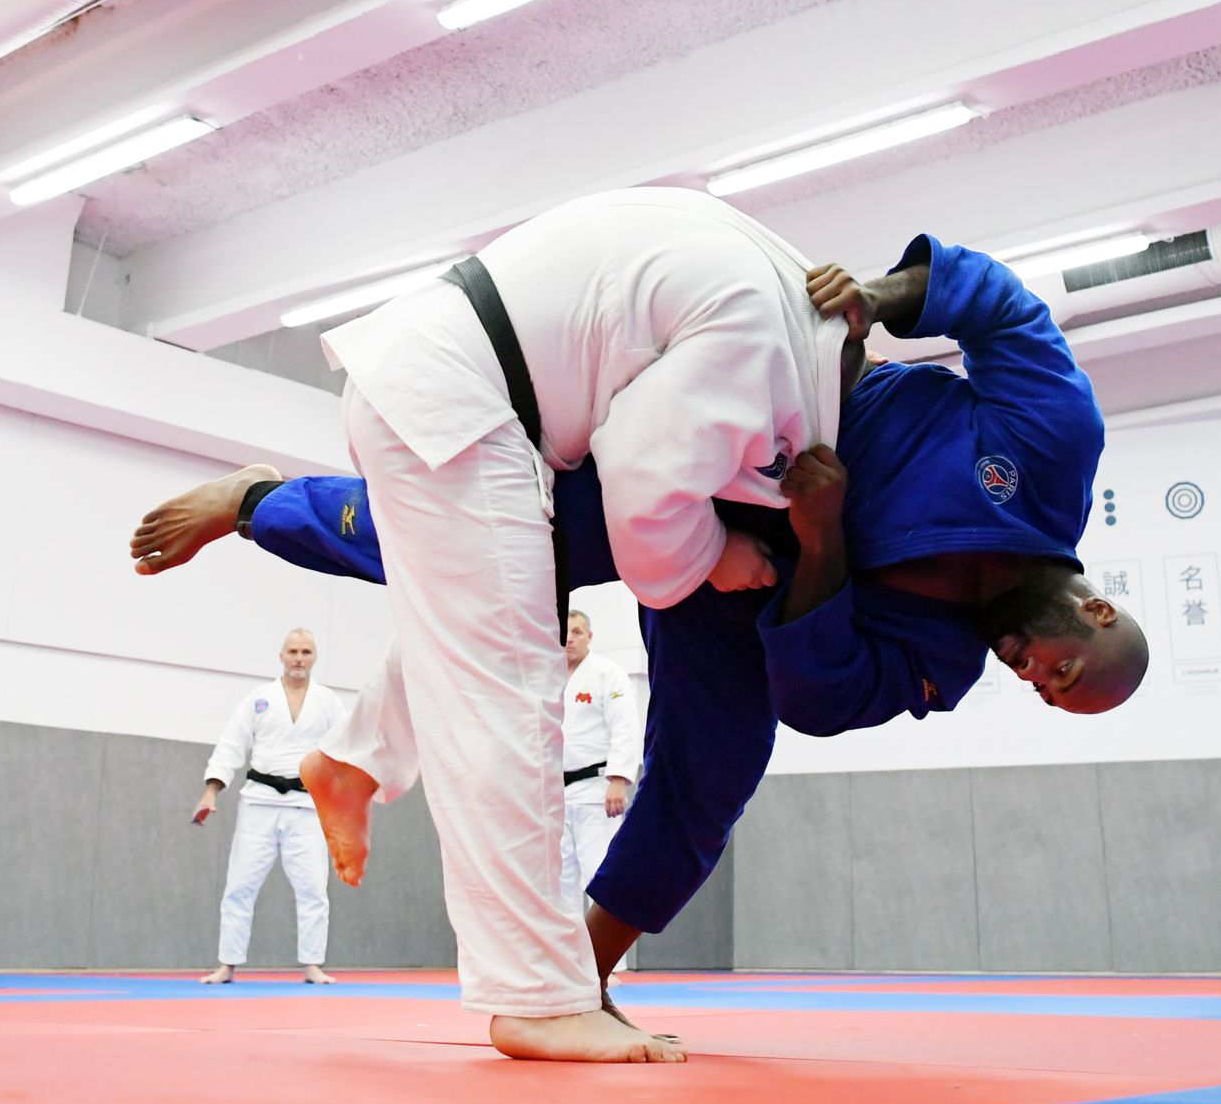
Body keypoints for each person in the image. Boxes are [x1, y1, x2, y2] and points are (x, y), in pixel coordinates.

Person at [133, 235, 1148, 1027]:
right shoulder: (1056, 451)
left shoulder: (947, 657)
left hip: (752, 572)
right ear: (1095, 610)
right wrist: (879, 299)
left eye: (1043, 690)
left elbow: (821, 696)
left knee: (715, 769)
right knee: (485, 547)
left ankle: (580, 975)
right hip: (785, 412)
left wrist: (823, 537)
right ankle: (263, 500)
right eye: (1060, 665)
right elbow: (1009, 315)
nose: (1029, 670)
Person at [192, 628, 345, 986]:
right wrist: (211, 791)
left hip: (307, 805)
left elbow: (344, 749)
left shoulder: (328, 702)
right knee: (240, 885)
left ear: (315, 658)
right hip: (259, 802)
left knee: (312, 888)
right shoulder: (259, 698)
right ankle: (227, 965)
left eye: (306, 651)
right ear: (281, 655)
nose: (299, 658)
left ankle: (312, 965)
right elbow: (232, 743)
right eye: (293, 651)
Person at [556, 609, 643, 910]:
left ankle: (608, 959)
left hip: (596, 790)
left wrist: (618, 780)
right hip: (554, 794)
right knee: (558, 884)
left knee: (600, 877)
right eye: (564, 632)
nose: (569, 639)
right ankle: (566, 958)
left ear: (590, 637)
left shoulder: (608, 673)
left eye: (577, 632)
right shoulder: (545, 678)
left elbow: (625, 727)